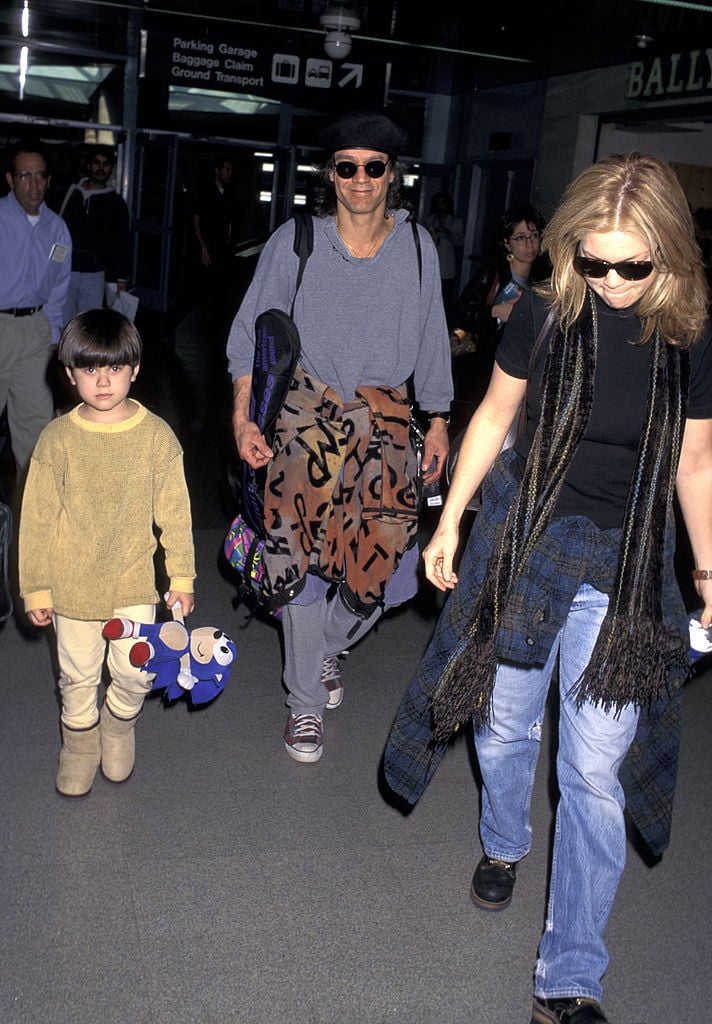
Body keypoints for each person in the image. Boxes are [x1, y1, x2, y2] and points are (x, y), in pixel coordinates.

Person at [383, 152, 712, 1024]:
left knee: (593, 771)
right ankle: (503, 840)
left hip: (626, 568)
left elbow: (696, 462)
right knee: (503, 727)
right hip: (526, 547)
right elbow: (493, 415)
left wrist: (710, 575)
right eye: (593, 259)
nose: (609, 279)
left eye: (632, 265)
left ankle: (569, 978)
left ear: (669, 254)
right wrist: (449, 521)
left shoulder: (692, 337)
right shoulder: (544, 312)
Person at [227, 110, 453, 764]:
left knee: (376, 570)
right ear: (331, 174)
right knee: (296, 560)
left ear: (392, 176)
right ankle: (303, 704)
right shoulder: (296, 240)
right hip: (305, 413)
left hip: (386, 422)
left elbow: (434, 337)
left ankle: (324, 649)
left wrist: (437, 418)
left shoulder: (416, 247)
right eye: (347, 167)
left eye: (373, 168)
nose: (360, 181)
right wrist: (244, 418)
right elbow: (248, 336)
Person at [18, 308, 196, 797]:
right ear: (70, 374)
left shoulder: (157, 438)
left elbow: (175, 515)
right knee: (76, 675)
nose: (103, 381)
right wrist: (35, 585)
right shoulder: (56, 440)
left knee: (136, 670)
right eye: (90, 369)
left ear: (135, 369)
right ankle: (78, 745)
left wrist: (181, 578)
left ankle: (117, 725)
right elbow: (35, 521)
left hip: (132, 581)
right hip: (71, 584)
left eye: (114, 368)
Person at [0, 137, 72, 477]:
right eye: (25, 176)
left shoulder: (57, 228)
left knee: (37, 425)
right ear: (10, 179)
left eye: (40, 176)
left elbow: (59, 285)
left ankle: (33, 509)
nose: (34, 184)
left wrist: (54, 333)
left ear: (48, 180)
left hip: (36, 329)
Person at [450, 202, 548, 363]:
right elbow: (461, 314)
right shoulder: (493, 271)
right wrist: (495, 312)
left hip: (523, 358)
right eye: (521, 238)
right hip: (489, 358)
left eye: (535, 235)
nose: (530, 244)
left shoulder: (544, 275)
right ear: (506, 243)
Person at [59, 143, 131, 322]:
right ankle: (64, 351)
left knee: (89, 324)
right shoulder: (70, 194)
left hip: (95, 274)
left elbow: (121, 241)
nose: (101, 168)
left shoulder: (115, 203)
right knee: (62, 322)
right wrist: (54, 266)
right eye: (97, 162)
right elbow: (57, 232)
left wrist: (120, 278)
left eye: (106, 164)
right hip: (67, 271)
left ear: (111, 168)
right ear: (88, 165)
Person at [424, 190, 464, 325]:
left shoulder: (456, 222)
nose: (441, 206)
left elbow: (459, 242)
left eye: (443, 203)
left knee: (445, 297)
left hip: (447, 267)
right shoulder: (428, 220)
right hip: (430, 265)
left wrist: (446, 232)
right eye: (438, 203)